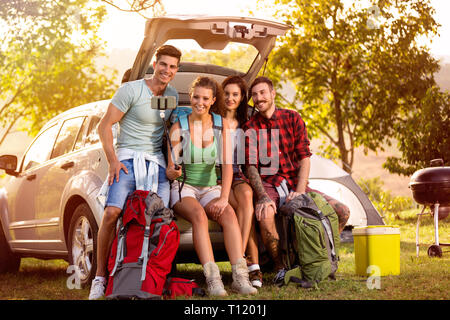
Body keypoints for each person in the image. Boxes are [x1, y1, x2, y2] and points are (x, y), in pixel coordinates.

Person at [88, 45, 182, 300]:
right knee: (112, 213)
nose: (167, 70)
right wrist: (113, 161)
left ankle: (147, 279)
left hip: (157, 164)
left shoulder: (170, 94)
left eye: (173, 67)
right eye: (164, 64)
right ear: (154, 63)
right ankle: (99, 278)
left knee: (156, 221)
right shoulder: (131, 89)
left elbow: (168, 132)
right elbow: (104, 126)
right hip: (128, 159)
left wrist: (172, 164)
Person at [243, 76, 350, 285]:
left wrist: (300, 191)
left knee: (342, 211)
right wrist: (263, 196)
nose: (258, 98)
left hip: (296, 182)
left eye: (263, 92)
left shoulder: (292, 118)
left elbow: (304, 157)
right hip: (269, 184)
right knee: (265, 215)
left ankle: (317, 255)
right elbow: (251, 166)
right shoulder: (251, 128)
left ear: (273, 94)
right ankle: (281, 266)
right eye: (255, 95)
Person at [166, 76, 257, 296]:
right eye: (196, 97)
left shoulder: (220, 124)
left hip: (210, 188)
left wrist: (224, 198)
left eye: (205, 98)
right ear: (191, 97)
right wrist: (172, 170)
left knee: (229, 215)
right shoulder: (179, 126)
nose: (200, 102)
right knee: (199, 216)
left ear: (213, 99)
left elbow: (227, 166)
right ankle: (213, 279)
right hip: (183, 188)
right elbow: (170, 168)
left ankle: (240, 277)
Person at [220, 76, 262, 288]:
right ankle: (251, 266)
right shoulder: (213, 119)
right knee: (245, 213)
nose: (230, 98)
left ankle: (240, 262)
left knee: (247, 196)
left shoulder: (246, 123)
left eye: (235, 94)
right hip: (217, 176)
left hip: (237, 174)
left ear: (242, 97)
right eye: (226, 93)